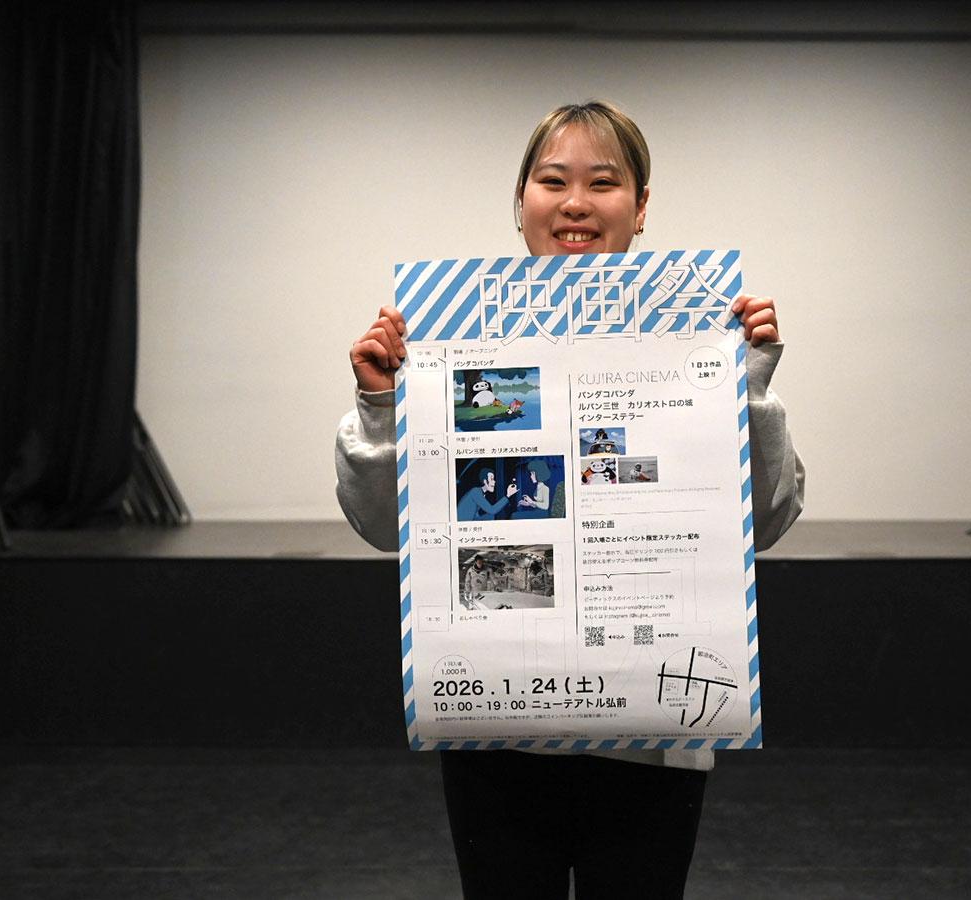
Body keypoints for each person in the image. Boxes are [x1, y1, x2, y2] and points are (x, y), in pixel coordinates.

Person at [335, 100, 804, 899]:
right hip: (496, 731)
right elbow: (386, 529)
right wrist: (382, 405)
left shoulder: (701, 340)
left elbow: (765, 523)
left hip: (654, 732)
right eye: (553, 181)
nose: (576, 203)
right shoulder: (448, 340)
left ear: (641, 206)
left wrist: (747, 392)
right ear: (519, 201)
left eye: (603, 182)